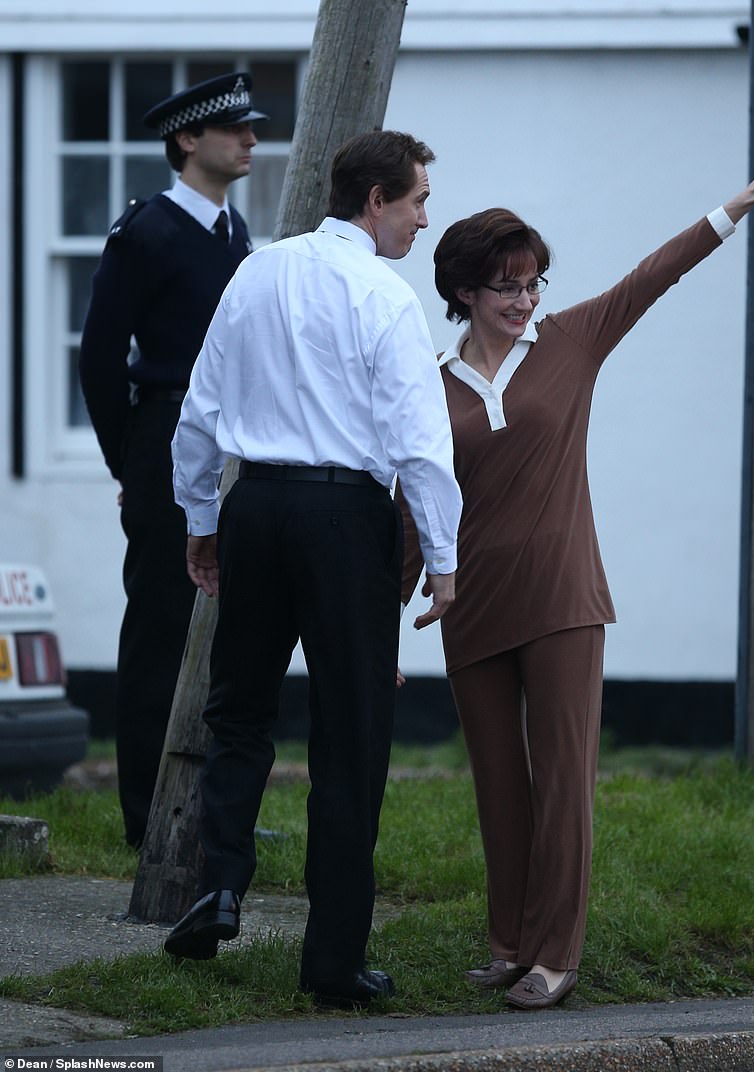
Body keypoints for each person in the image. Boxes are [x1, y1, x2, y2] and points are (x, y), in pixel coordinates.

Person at [399, 125, 754, 1010]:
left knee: (563, 778)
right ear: (464, 291)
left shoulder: (572, 341)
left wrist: (740, 203)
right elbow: (414, 498)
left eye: (535, 282)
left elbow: (652, 276)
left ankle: (555, 953)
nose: (526, 299)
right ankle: (506, 942)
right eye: (507, 286)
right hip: (471, 607)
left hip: (566, 599)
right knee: (499, 784)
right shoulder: (428, 380)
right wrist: (387, 608)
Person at [163, 130, 462, 1010]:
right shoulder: (385, 294)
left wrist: (202, 517)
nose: (421, 218)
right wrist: (443, 560)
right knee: (352, 733)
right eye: (415, 200)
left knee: (239, 710)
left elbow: (199, 408)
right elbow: (420, 443)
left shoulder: (255, 272)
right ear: (373, 200)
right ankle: (333, 962)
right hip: (342, 518)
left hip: (254, 508)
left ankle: (220, 882)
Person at [78, 72, 268, 849]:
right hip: (163, 437)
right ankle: (143, 818)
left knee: (231, 631)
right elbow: (97, 356)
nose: (251, 140)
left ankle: (210, 812)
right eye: (234, 129)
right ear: (188, 140)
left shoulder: (236, 233)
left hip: (235, 447)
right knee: (160, 626)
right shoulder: (145, 231)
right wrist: (130, 464)